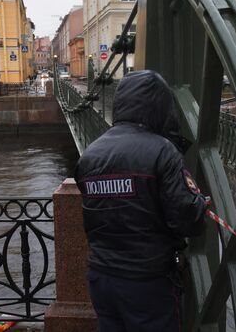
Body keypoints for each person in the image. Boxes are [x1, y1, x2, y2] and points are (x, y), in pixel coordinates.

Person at [74, 70, 207, 332]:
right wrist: (200, 204)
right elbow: (185, 219)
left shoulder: (90, 154)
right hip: (147, 280)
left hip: (101, 276)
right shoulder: (162, 150)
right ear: (161, 106)